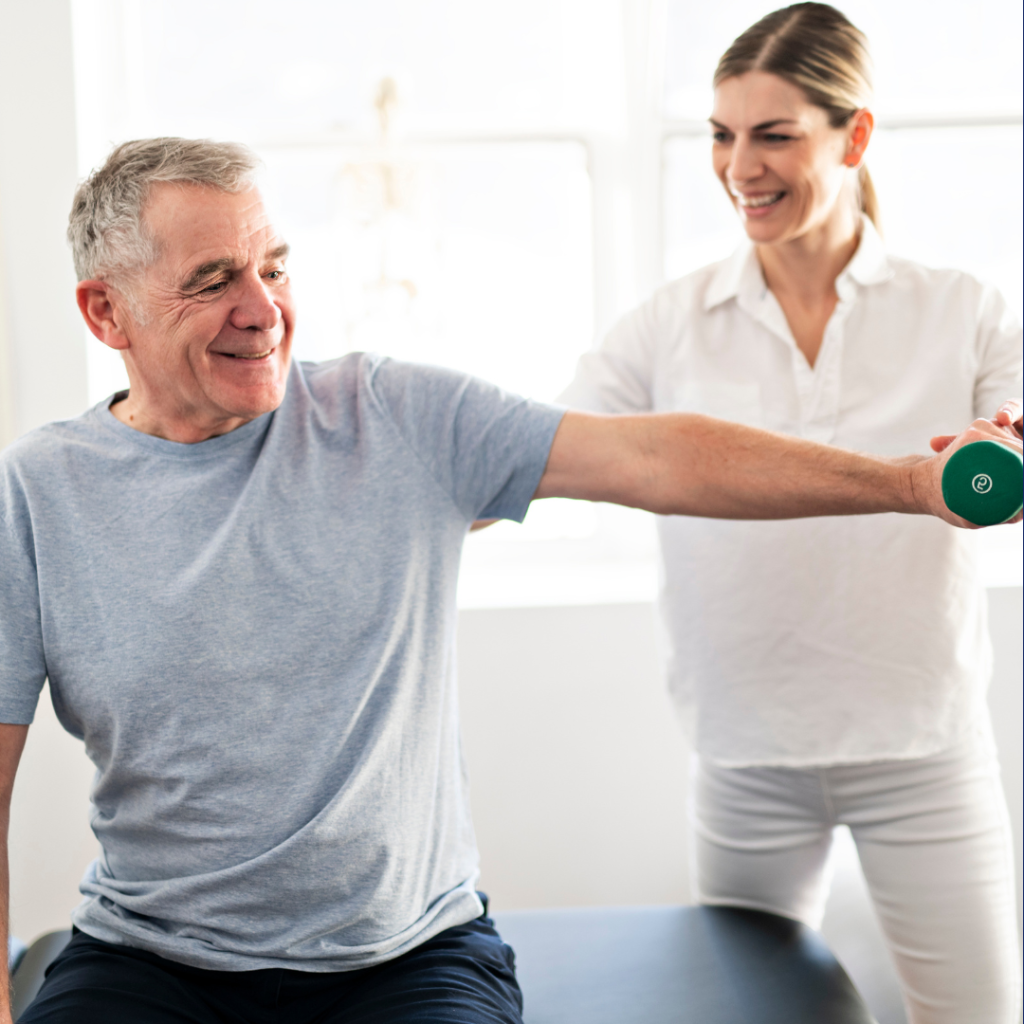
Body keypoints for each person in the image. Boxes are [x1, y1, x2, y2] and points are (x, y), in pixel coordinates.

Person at [0, 137, 1014, 1024]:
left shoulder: (390, 417)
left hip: (403, 960)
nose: (262, 309)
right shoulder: (40, 491)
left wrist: (913, 482)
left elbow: (658, 457)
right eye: (214, 277)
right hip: (152, 959)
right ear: (107, 312)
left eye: (274, 266)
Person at [558, 5, 1023, 1023]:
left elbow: (1014, 437)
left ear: (852, 137)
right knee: (741, 1015)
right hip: (746, 752)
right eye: (721, 136)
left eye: (774, 134)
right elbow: (539, 452)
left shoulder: (961, 308)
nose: (739, 167)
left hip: (922, 748)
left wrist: (1004, 455)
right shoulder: (667, 327)